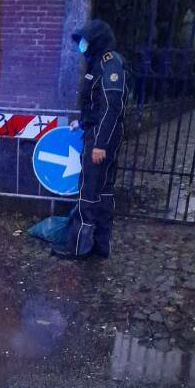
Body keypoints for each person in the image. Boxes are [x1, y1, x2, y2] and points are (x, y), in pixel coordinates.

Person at [53, 19, 127, 260]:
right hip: (97, 132)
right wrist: (82, 123)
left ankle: (78, 248)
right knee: (103, 192)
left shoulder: (109, 65)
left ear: (96, 41)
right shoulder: (99, 63)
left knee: (89, 191)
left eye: (85, 40)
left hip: (101, 137)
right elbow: (96, 107)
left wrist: (100, 144)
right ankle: (100, 246)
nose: (82, 45)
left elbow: (110, 109)